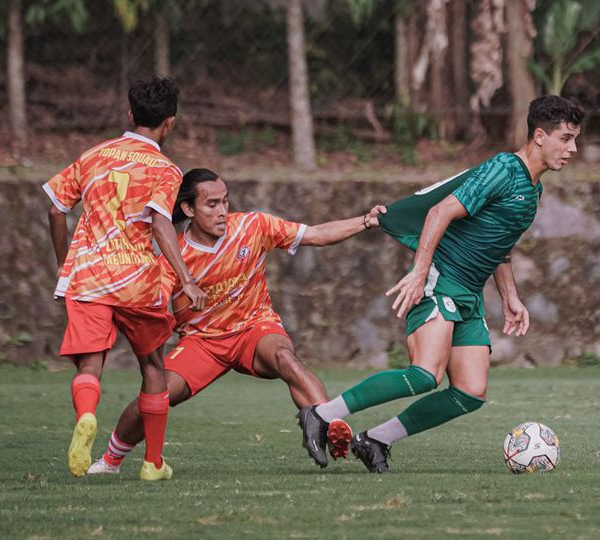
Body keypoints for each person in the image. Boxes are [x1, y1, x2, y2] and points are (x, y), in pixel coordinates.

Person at [310, 95, 585, 473]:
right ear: (539, 136)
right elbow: (440, 211)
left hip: (468, 292)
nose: (572, 149)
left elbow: (499, 245)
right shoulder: (505, 168)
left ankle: (375, 440)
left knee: (470, 392)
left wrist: (510, 297)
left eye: (574, 140)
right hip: (442, 277)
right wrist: (421, 273)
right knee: (425, 374)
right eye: (566, 138)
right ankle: (323, 414)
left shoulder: (533, 190)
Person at [86, 168, 386, 474]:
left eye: (225, 202)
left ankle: (329, 424)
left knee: (286, 359)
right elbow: (153, 307)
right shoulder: (173, 258)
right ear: (189, 209)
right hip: (203, 342)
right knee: (156, 395)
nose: (222, 211)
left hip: (255, 328)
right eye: (212, 204)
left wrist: (365, 221)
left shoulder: (253, 227)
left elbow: (318, 235)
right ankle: (110, 461)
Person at [44, 77, 206, 481]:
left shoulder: (93, 155)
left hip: (90, 277)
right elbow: (159, 224)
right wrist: (185, 279)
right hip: (138, 280)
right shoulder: (167, 169)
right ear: (170, 123)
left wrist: (67, 262)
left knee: (90, 361)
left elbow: (54, 210)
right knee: (152, 365)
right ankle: (152, 464)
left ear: (130, 114)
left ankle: (86, 416)